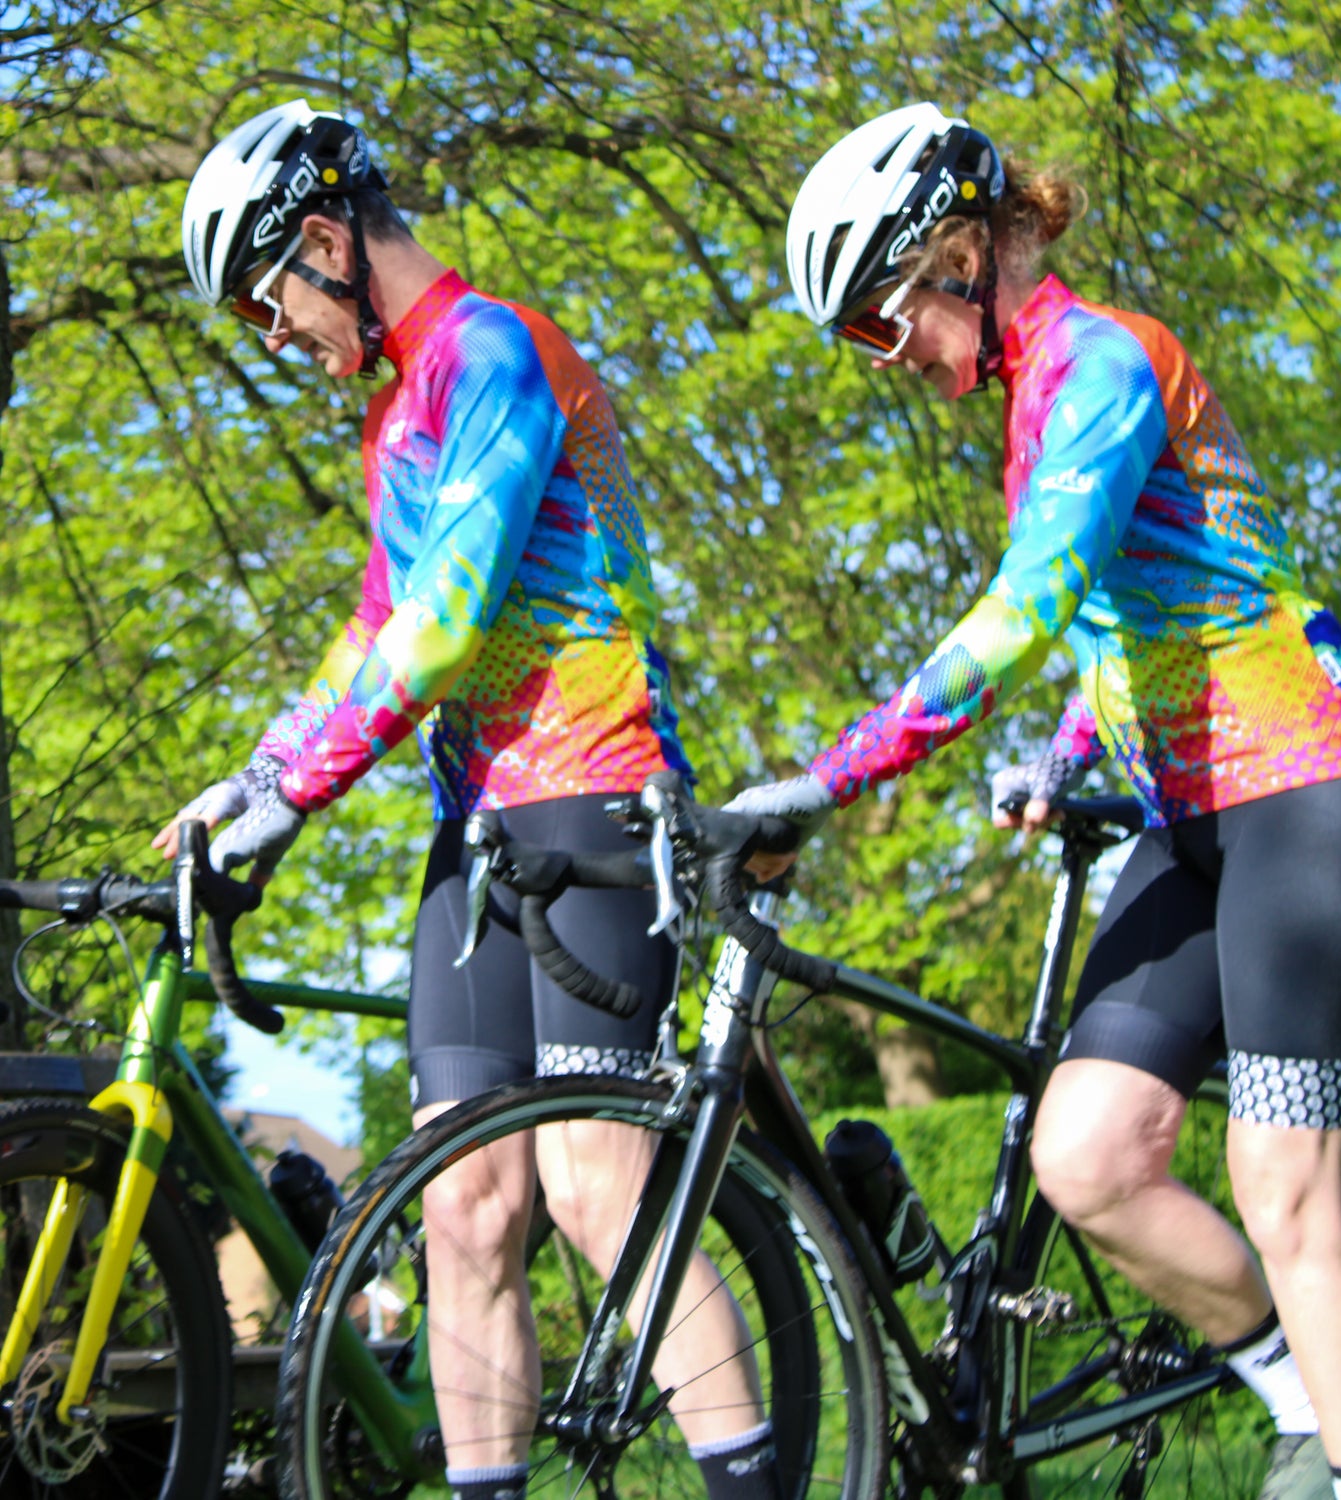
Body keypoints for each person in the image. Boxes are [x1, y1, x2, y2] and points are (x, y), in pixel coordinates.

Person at [732, 102, 1341, 1500]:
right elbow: (1129, 613)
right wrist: (1064, 758)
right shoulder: (1041, 391)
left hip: (1314, 795)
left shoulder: (1098, 361)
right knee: (1088, 1154)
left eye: (883, 324)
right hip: (1193, 819)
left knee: (1290, 1193)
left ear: (962, 253)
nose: (892, 361)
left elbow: (1035, 602)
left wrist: (825, 778)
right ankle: (1301, 1394)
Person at [158, 100, 780, 1500]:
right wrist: (254, 774)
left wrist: (289, 800)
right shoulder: (397, 410)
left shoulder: (493, 350)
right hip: (485, 832)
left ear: (325, 241)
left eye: (267, 306)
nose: (273, 341)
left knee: (596, 1190)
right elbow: (374, 621)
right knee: (466, 1208)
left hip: (600, 802)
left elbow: (439, 628)